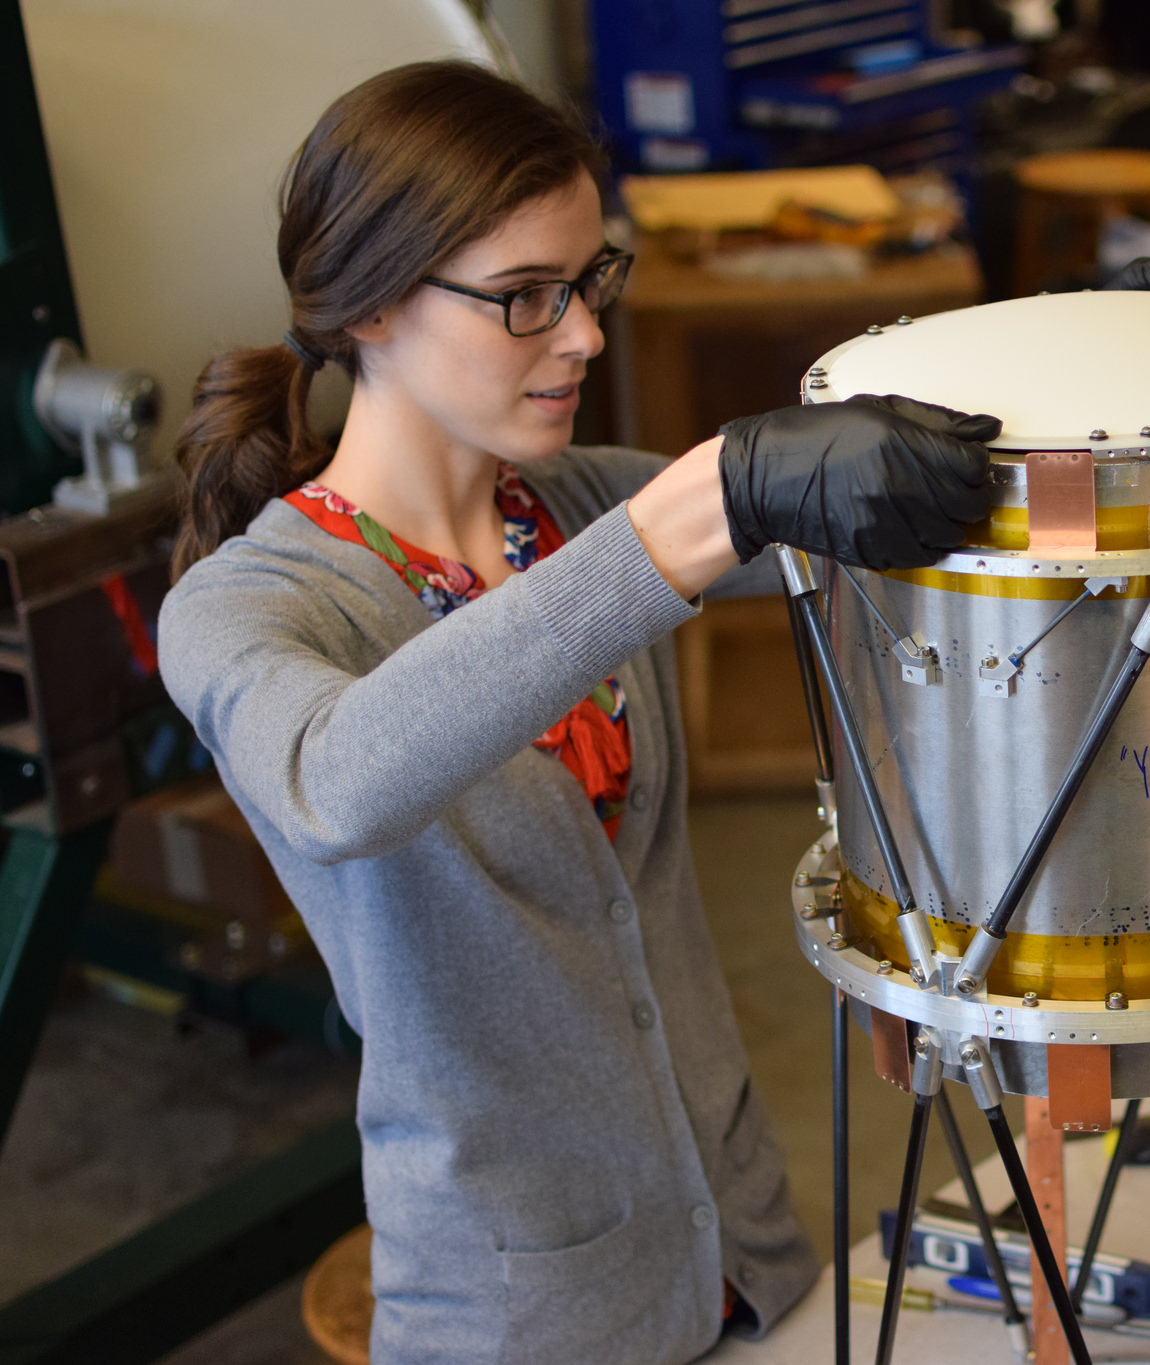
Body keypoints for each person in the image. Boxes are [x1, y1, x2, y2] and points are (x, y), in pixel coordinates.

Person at [157, 61, 999, 1364]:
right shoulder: (246, 608)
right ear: (374, 304)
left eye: (590, 281)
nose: (586, 336)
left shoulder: (578, 508)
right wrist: (704, 502)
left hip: (745, 1255)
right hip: (518, 1310)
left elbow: (897, 532)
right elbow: (337, 781)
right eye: (526, 299)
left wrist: (1102, 428)